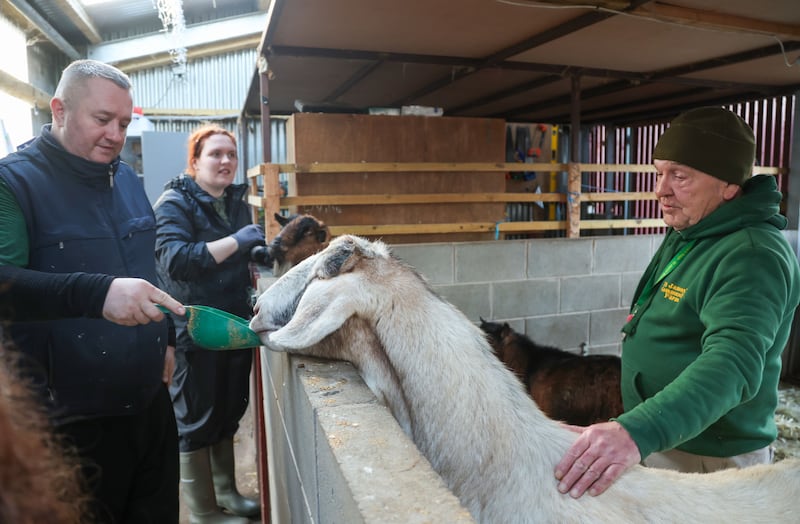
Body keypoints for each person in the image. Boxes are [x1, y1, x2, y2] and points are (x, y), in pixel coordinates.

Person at [554, 106, 800, 499]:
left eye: (680, 175)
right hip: (672, 436)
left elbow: (732, 363)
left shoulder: (752, 255)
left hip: (709, 459)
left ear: (729, 185)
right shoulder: (694, 228)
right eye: (659, 173)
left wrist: (635, 432)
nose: (660, 189)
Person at [0, 59, 183, 523]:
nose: (116, 135)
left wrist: (166, 340)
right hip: (69, 421)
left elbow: (147, 263)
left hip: (147, 402)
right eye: (102, 120)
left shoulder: (122, 176)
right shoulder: (14, 183)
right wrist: (96, 294)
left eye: (123, 123)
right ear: (59, 109)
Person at [154, 124, 263, 522]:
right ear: (195, 161)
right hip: (195, 325)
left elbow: (238, 255)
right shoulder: (174, 203)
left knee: (228, 409)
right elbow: (176, 260)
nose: (226, 161)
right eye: (216, 154)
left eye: (231, 155)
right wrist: (239, 240)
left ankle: (227, 494)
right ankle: (202, 512)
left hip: (232, 320)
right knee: (196, 417)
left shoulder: (234, 201)